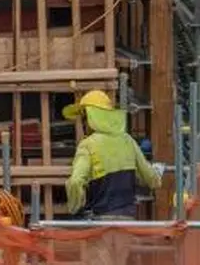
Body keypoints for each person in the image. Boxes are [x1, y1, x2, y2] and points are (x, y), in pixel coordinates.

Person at [63, 90, 163, 265]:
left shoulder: (88, 145)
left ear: (90, 117)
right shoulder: (127, 141)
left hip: (100, 222)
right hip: (127, 221)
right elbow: (151, 179)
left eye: (84, 117)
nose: (83, 123)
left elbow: (76, 181)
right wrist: (158, 172)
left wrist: (74, 206)